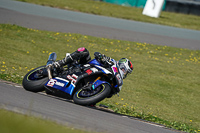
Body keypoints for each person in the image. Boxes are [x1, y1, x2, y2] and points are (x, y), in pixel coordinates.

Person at [53, 47, 133, 82]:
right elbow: (97, 54)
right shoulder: (111, 61)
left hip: (88, 77)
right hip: (84, 67)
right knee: (84, 51)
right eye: (125, 71)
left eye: (127, 73)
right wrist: (101, 57)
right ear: (122, 66)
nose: (125, 73)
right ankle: (59, 63)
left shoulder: (115, 78)